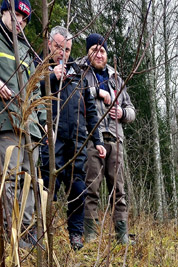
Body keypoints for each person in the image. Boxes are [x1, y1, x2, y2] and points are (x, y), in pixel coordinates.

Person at [39, 26, 106, 250]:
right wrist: (49, 78)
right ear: (50, 45)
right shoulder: (39, 68)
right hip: (52, 139)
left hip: (76, 141)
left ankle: (76, 236)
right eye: (58, 47)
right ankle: (42, 234)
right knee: (49, 187)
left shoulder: (79, 74)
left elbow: (90, 109)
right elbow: (30, 95)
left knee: (78, 188)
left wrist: (97, 141)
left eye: (67, 49)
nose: (62, 53)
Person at [77, 33, 135, 244]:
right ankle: (90, 235)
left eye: (102, 51)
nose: (99, 54)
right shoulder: (80, 71)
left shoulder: (116, 77)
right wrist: (99, 93)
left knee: (119, 191)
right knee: (91, 188)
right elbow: (75, 94)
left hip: (116, 140)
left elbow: (131, 110)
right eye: (95, 50)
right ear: (88, 51)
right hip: (92, 138)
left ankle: (122, 235)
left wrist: (122, 113)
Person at [0, 0, 44, 245]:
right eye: (17, 15)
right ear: (4, 11)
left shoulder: (27, 50)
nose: (21, 22)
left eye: (25, 19)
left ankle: (27, 232)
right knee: (11, 177)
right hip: (7, 122)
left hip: (31, 128)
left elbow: (35, 89)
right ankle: (11, 233)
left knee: (30, 180)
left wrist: (44, 121)